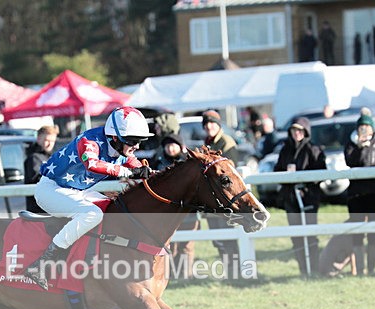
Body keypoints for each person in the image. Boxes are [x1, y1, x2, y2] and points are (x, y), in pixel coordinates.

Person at [24, 106, 152, 290]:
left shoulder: (121, 148)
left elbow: (137, 167)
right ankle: (43, 263)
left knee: (113, 208)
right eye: (133, 141)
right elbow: (92, 164)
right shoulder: (89, 140)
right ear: (115, 138)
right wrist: (129, 172)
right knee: (93, 214)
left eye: (140, 141)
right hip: (50, 189)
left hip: (74, 190)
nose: (137, 146)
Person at [274, 117, 327, 277]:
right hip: (291, 199)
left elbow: (321, 173)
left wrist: (303, 180)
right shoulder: (285, 150)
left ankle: (315, 269)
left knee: (310, 235)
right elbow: (278, 171)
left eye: (300, 130)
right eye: (294, 130)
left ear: (305, 131)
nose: (296, 133)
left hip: (308, 198)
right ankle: (303, 270)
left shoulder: (313, 149)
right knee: (296, 236)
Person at [343, 113, 375, 275]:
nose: (364, 130)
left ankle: (371, 268)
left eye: (367, 127)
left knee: (373, 231)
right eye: (361, 127)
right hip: (357, 194)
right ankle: (358, 268)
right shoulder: (351, 145)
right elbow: (352, 162)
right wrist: (361, 147)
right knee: (357, 231)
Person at [201, 109, 241, 278]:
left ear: (218, 125)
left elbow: (230, 169)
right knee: (218, 239)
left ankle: (236, 271)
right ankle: (228, 271)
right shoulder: (207, 143)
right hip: (213, 198)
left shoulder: (226, 142)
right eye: (206, 124)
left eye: (212, 123)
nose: (209, 126)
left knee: (229, 237)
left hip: (225, 197)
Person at [154, 133, 198, 279]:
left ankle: (186, 275)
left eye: (173, 145)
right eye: (167, 146)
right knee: (169, 246)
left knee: (187, 246)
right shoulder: (159, 163)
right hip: (168, 215)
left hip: (188, 213)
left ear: (181, 146)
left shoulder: (189, 163)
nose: (171, 149)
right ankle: (170, 274)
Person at [24, 125, 59, 213]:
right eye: (46, 140)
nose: (49, 144)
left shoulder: (54, 158)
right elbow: (37, 179)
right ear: (39, 139)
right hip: (38, 211)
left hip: (52, 208)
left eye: (52, 141)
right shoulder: (34, 158)